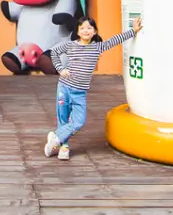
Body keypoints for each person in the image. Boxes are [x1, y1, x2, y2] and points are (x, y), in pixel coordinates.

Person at [44, 16, 143, 160]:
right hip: (64, 87)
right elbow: (54, 53)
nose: (86, 31)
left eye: (89, 28)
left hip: (79, 92)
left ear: (95, 31)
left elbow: (115, 40)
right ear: (78, 31)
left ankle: (55, 137)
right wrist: (60, 69)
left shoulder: (97, 47)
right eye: (82, 28)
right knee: (63, 118)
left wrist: (133, 31)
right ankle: (63, 146)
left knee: (79, 121)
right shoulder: (70, 45)